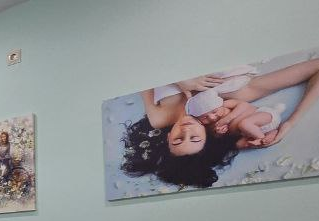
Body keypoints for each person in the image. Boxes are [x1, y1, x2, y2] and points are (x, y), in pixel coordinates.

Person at [120, 58, 319, 188]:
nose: (186, 130)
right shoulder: (231, 97)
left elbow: (141, 68)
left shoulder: (159, 118)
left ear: (168, 138)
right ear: (206, 138)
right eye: (194, 138)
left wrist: (180, 80)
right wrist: (291, 122)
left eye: (178, 139)